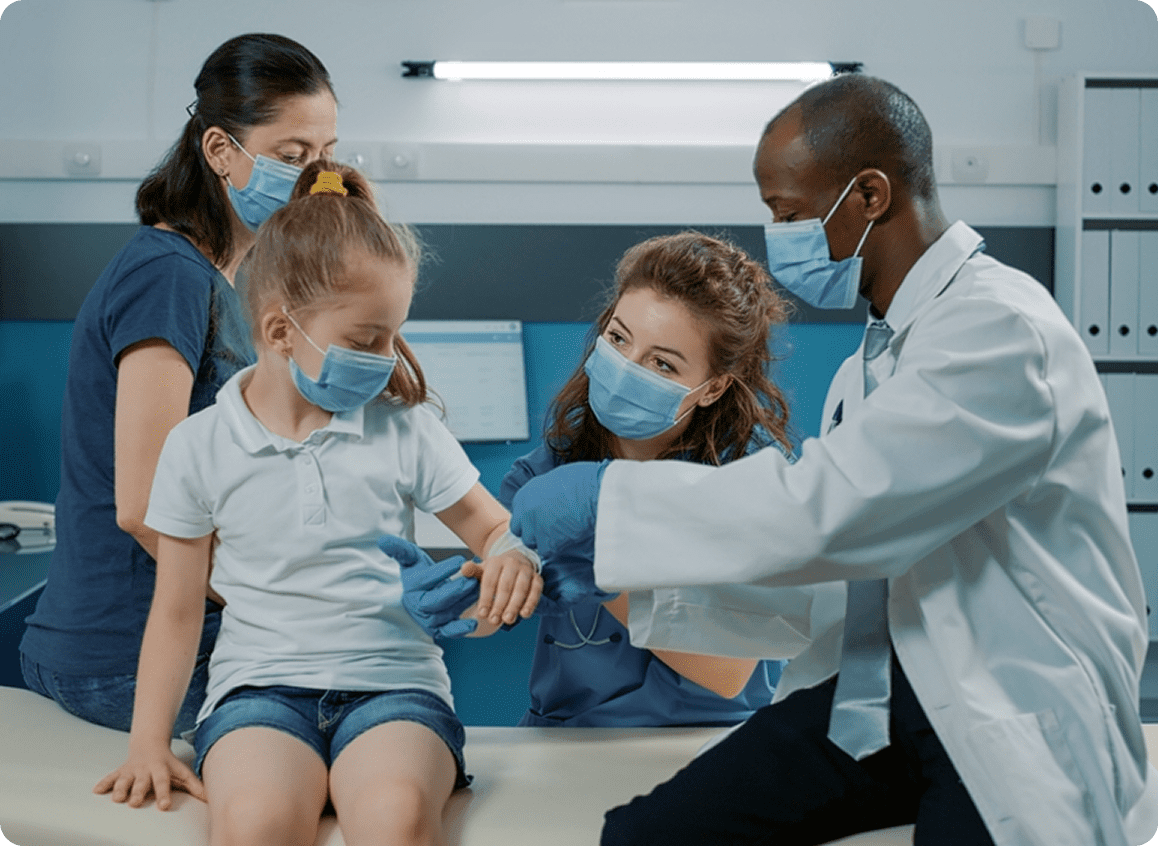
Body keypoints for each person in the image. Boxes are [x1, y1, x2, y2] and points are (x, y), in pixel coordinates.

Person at [510, 74, 1158, 845]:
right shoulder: (872, 364)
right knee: (646, 835)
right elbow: (833, 589)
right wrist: (622, 582)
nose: (779, 235)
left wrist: (607, 498)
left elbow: (832, 509)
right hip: (883, 698)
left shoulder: (997, 329)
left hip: (1006, 704)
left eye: (787, 213)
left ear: (870, 196)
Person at [94, 161, 541, 846]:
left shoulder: (406, 427)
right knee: (255, 824)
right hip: (258, 694)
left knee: (394, 818)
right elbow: (178, 609)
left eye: (392, 336)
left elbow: (490, 525)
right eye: (365, 342)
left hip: (396, 689)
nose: (388, 359)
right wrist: (148, 743)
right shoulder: (199, 445)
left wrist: (509, 552)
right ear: (280, 333)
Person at [19, 33, 339, 736]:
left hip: (179, 632)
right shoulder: (167, 275)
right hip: (122, 656)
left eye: (325, 155)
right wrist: (279, 607)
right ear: (222, 152)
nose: (316, 178)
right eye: (292, 158)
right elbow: (143, 506)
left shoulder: (219, 279)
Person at [493, 231, 792, 726]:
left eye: (661, 363)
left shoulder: (753, 481)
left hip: (712, 740)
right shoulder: (545, 478)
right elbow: (499, 598)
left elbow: (730, 671)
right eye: (617, 338)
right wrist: (463, 595)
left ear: (713, 387)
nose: (624, 368)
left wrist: (605, 573)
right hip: (572, 740)